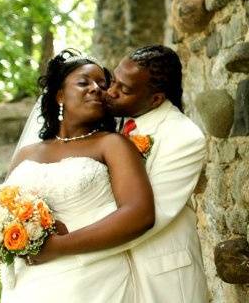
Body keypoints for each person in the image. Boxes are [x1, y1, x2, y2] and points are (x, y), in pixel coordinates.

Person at [2, 49, 155, 302]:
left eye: (102, 85)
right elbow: (2, 209)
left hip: (91, 281)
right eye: (84, 82)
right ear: (59, 95)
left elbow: (140, 214)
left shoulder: (112, 144)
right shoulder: (25, 154)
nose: (96, 88)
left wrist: (58, 247)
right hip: (27, 283)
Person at [71, 45, 209, 303]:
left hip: (162, 276)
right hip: (114, 273)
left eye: (124, 89)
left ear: (155, 99)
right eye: (113, 81)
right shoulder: (120, 121)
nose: (110, 91)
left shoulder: (184, 137)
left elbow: (150, 215)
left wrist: (70, 246)